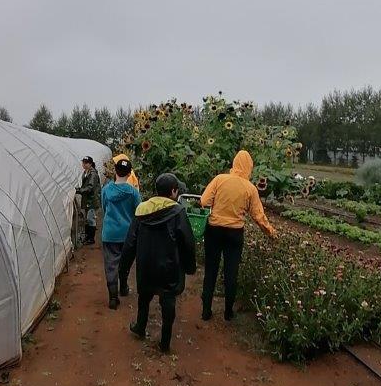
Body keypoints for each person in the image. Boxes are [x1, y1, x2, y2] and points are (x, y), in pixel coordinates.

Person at [119, 172, 196, 353]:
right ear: (174, 191)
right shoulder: (177, 212)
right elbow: (187, 242)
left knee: (144, 297)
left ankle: (140, 327)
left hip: (146, 264)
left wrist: (124, 268)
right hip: (169, 267)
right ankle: (165, 342)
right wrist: (189, 266)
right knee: (168, 302)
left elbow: (130, 242)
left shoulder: (142, 210)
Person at [200, 149, 277, 322]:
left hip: (214, 230)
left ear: (234, 164)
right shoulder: (250, 188)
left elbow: (204, 201)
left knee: (211, 270)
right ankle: (228, 312)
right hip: (235, 234)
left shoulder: (220, 179)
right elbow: (258, 216)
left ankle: (206, 311)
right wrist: (271, 233)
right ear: (249, 167)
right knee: (231, 272)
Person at [101, 160, 141, 309]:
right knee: (125, 263)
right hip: (127, 233)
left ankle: (113, 297)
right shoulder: (133, 192)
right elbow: (138, 212)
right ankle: (123, 287)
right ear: (130, 173)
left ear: (115, 172)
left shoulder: (106, 190)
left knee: (111, 264)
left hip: (110, 232)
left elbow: (104, 208)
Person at [76, 156, 101, 245]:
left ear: (90, 164)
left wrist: (79, 190)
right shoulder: (86, 172)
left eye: (86, 163)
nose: (84, 164)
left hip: (92, 200)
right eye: (83, 162)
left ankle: (91, 238)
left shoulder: (92, 174)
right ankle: (87, 236)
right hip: (88, 199)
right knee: (87, 218)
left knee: (91, 219)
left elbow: (90, 187)